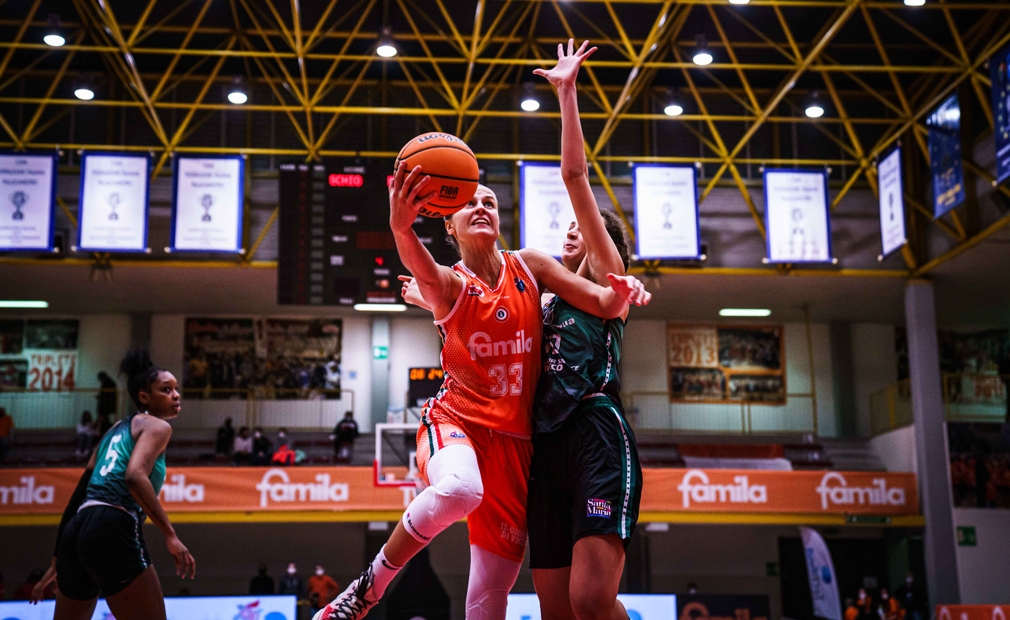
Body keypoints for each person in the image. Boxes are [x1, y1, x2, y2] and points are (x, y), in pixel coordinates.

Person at [315, 128, 648, 619]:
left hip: (527, 444)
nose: (482, 207)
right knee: (460, 490)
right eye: (469, 202)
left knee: (495, 595)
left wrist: (625, 286)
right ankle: (368, 587)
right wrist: (402, 229)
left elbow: (603, 291)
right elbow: (427, 273)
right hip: (461, 423)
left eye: (490, 201)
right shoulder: (453, 283)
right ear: (448, 225)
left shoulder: (534, 275)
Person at [521, 40, 645, 620]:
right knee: (556, 613)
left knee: (591, 599)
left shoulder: (609, 286)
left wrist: (567, 94)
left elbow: (574, 176)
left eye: (587, 229)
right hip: (542, 446)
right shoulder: (540, 295)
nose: (574, 231)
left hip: (595, 431)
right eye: (568, 228)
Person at [41, 350, 195, 620]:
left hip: (75, 531)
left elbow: (77, 497)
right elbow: (135, 477)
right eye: (166, 389)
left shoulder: (112, 431)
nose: (176, 394)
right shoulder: (158, 427)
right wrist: (170, 534)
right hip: (112, 523)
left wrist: (57, 560)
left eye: (176, 389)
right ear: (144, 397)